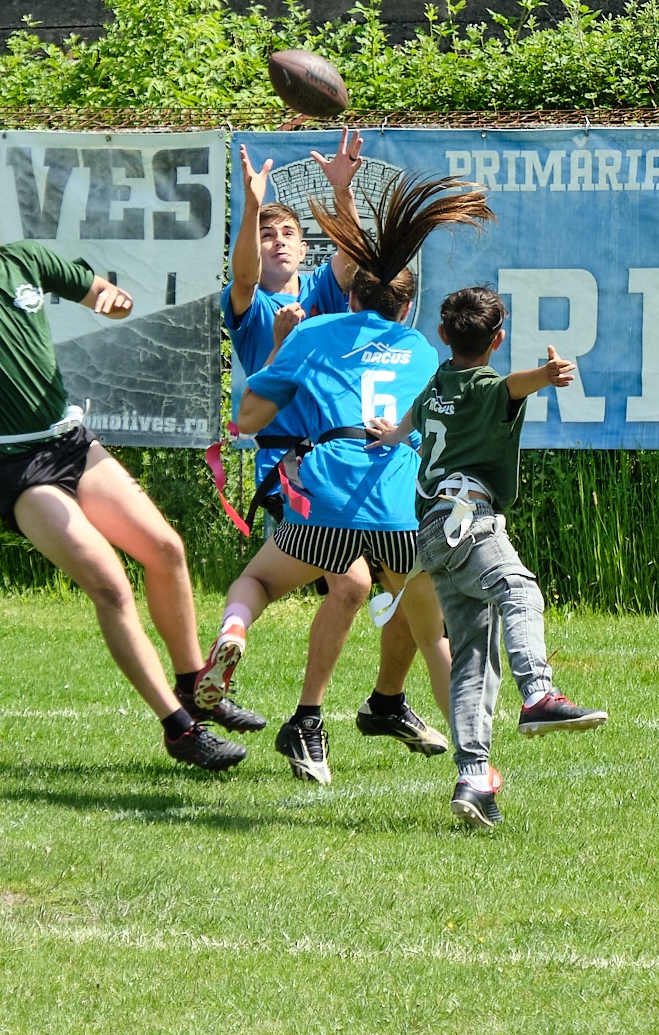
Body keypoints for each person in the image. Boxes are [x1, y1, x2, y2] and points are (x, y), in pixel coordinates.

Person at [0, 154, 247, 772]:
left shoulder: (26, 261)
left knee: (166, 549)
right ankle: (179, 728)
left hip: (71, 445)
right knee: (110, 585)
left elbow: (100, 292)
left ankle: (196, 685)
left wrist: (111, 299)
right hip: (16, 467)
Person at [199, 175, 493, 783]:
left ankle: (296, 693)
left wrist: (283, 360)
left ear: (348, 294)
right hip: (398, 503)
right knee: (425, 626)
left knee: (264, 578)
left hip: (322, 489)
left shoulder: (308, 326)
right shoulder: (417, 351)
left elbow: (246, 419)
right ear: (408, 309)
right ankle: (475, 768)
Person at [368, 285, 609, 828]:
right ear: (497, 340)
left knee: (473, 654)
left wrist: (392, 434)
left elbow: (415, 417)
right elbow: (508, 386)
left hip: (430, 534)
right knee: (518, 589)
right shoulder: (484, 385)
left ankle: (474, 774)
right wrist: (544, 378)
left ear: (442, 336)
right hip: (467, 522)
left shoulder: (437, 385)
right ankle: (540, 693)